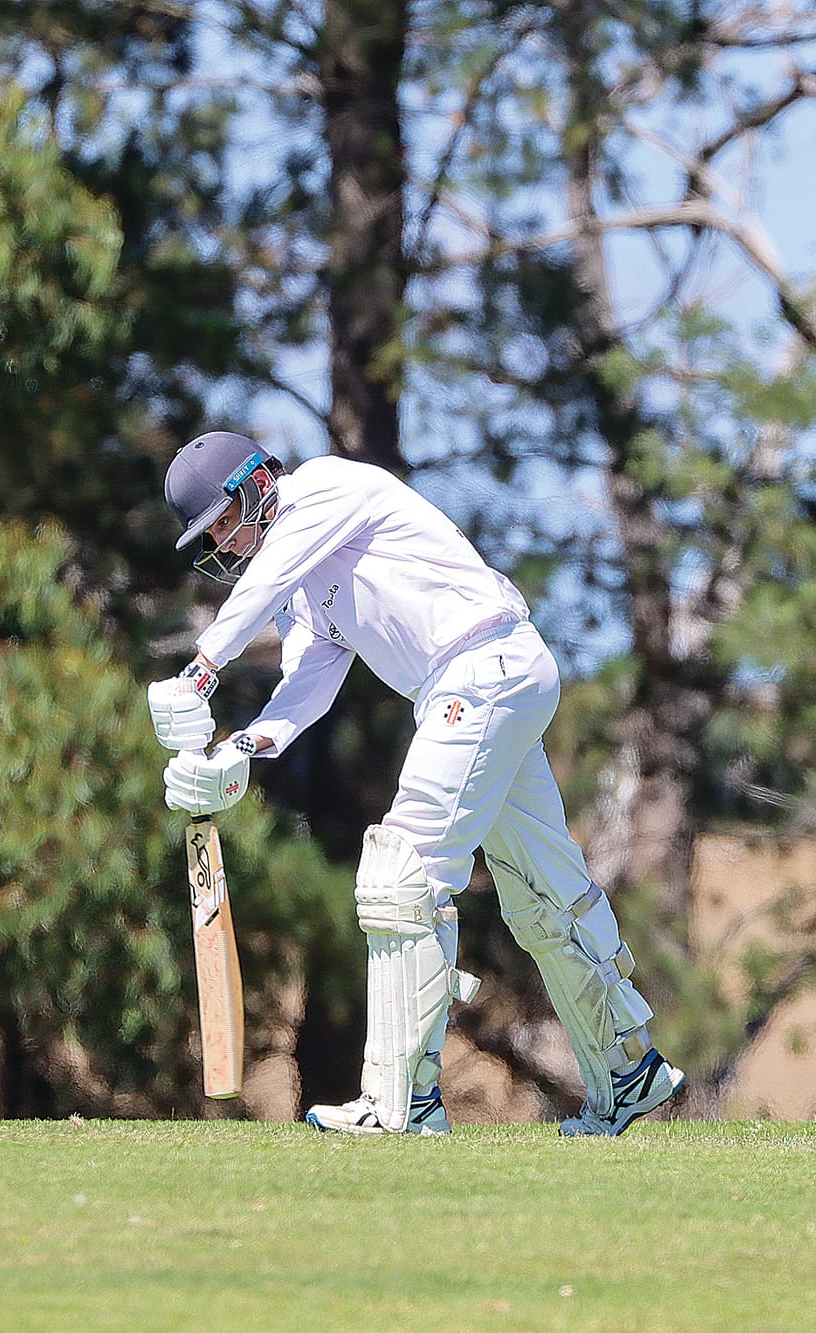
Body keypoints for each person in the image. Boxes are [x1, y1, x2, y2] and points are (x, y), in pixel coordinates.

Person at [147, 430, 683, 1136]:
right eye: (210, 535)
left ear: (255, 482)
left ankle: (402, 1103)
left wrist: (201, 669)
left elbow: (268, 574)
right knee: (542, 893)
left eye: (222, 519)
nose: (223, 540)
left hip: (481, 667)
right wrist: (237, 751)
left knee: (403, 872)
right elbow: (307, 682)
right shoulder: (301, 584)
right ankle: (629, 1071)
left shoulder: (325, 489)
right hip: (486, 681)